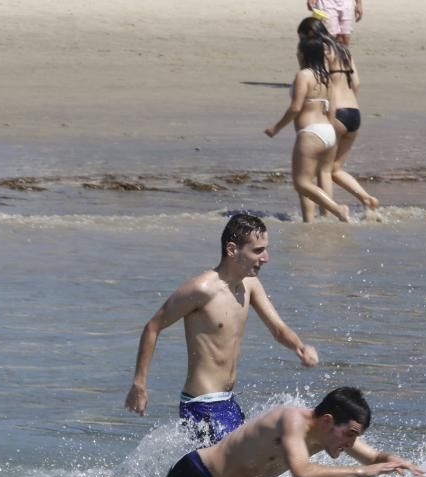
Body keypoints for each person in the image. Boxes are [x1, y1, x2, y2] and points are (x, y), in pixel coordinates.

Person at [125, 214, 319, 445]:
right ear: (232, 249)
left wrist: (299, 346)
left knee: (246, 471)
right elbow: (152, 327)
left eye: (265, 249)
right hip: (201, 405)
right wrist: (139, 384)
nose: (266, 258)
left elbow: (277, 329)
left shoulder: (250, 284)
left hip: (227, 402)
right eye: (257, 251)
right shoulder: (202, 289)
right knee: (232, 475)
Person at [145, 387, 425, 477]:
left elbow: (374, 458)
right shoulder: (291, 421)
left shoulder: (329, 437)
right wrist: (362, 473)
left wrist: (393, 460)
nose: (352, 443)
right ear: (327, 421)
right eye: (350, 434)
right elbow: (302, 474)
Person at [298, 17, 379, 220]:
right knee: (335, 169)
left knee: (323, 171)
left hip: (337, 114)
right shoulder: (343, 49)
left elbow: (324, 82)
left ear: (309, 34)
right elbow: (356, 83)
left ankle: (327, 215)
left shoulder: (323, 50)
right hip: (355, 112)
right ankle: (367, 199)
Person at [265, 38, 351, 223]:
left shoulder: (303, 75)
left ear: (304, 54)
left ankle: (337, 209)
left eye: (298, 51)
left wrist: (276, 128)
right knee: (319, 177)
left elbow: (295, 108)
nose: (297, 54)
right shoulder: (326, 77)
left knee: (302, 183)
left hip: (311, 133)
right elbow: (332, 110)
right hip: (328, 131)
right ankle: (312, 222)